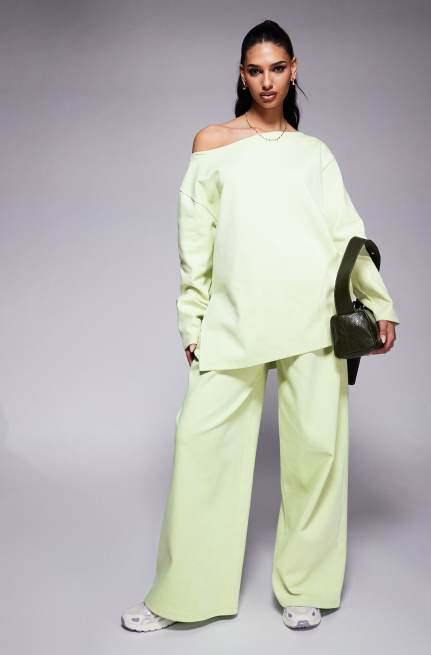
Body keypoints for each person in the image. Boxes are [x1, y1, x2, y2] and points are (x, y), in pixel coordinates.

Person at [121, 19, 400, 632]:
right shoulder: (213, 142)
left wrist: (380, 305)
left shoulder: (315, 154)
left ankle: (306, 586)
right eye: (255, 70)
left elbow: (346, 235)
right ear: (241, 75)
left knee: (316, 456)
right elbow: (195, 245)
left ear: (294, 70)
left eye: (277, 68)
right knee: (202, 451)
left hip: (312, 320)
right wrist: (192, 322)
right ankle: (182, 594)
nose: (267, 81)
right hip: (235, 320)